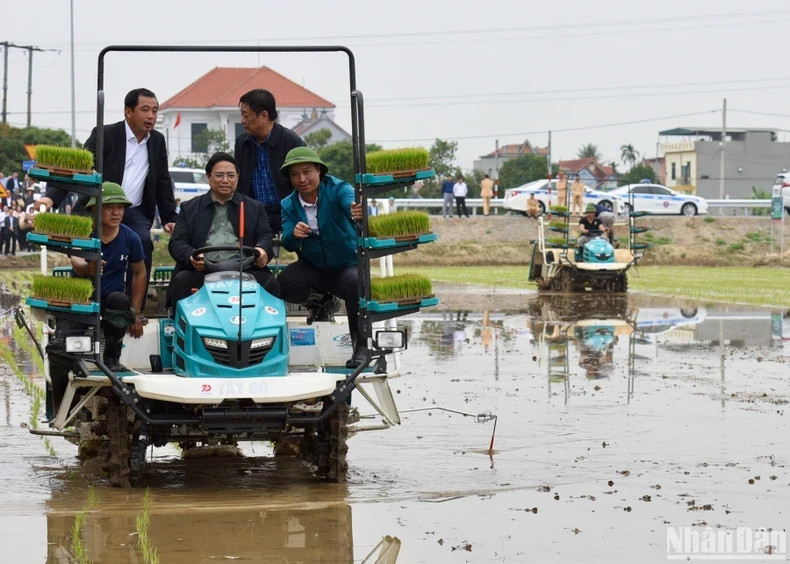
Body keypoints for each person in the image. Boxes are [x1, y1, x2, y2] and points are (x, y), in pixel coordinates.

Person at [40, 88, 177, 299]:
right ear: (128, 112)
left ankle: (132, 309)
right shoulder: (104, 135)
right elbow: (78, 167)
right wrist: (51, 197)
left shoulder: (157, 141)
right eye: (145, 110)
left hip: (134, 209)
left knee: (142, 242)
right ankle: (84, 302)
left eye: (155, 111)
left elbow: (162, 180)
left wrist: (168, 217)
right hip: (97, 207)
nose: (151, 116)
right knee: (85, 248)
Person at [277, 147, 365, 369]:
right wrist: (293, 234)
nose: (302, 179)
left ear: (319, 170)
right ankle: (322, 302)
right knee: (285, 282)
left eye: (307, 171)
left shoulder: (338, 189)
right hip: (313, 267)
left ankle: (361, 347)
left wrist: (354, 209)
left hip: (345, 266)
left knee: (356, 284)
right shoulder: (288, 204)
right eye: (295, 174)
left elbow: (350, 203)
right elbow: (287, 240)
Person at [167, 152, 279, 307]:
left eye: (231, 175)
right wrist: (191, 256)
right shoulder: (189, 208)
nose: (225, 180)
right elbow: (177, 242)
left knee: (270, 283)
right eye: (219, 175)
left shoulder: (254, 207)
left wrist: (262, 250)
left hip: (245, 269)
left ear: (237, 177)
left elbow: (266, 235)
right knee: (182, 280)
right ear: (208, 176)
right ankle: (182, 328)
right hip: (202, 270)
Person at [234, 89, 305, 233]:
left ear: (264, 116)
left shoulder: (291, 142)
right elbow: (240, 182)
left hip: (289, 214)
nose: (242, 121)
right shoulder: (242, 143)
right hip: (255, 214)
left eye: (246, 116)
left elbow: (305, 181)